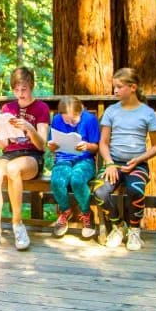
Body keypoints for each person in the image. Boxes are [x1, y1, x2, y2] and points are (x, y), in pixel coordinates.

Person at [92, 68, 156, 251]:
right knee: (100, 191)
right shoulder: (111, 111)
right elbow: (103, 142)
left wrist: (138, 160)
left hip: (137, 164)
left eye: (119, 87)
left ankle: (134, 229)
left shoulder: (147, 113)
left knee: (135, 189)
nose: (115, 91)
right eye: (114, 87)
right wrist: (109, 163)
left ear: (133, 87)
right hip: (113, 163)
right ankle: (117, 225)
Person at [0, 67, 49, 252]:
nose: (20, 94)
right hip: (11, 153)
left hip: (32, 156)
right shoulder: (8, 108)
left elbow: (42, 145)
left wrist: (30, 128)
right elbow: (4, 145)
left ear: (32, 86)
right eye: (17, 90)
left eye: (24, 89)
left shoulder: (41, 108)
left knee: (13, 169)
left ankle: (17, 224)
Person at [47, 96, 100, 238]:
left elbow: (96, 147)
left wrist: (87, 146)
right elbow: (51, 145)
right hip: (63, 158)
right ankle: (65, 211)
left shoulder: (89, 119)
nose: (70, 123)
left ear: (80, 112)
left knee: (77, 180)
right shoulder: (57, 119)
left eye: (73, 120)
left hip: (85, 160)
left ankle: (86, 213)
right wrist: (52, 146)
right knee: (57, 181)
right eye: (66, 120)